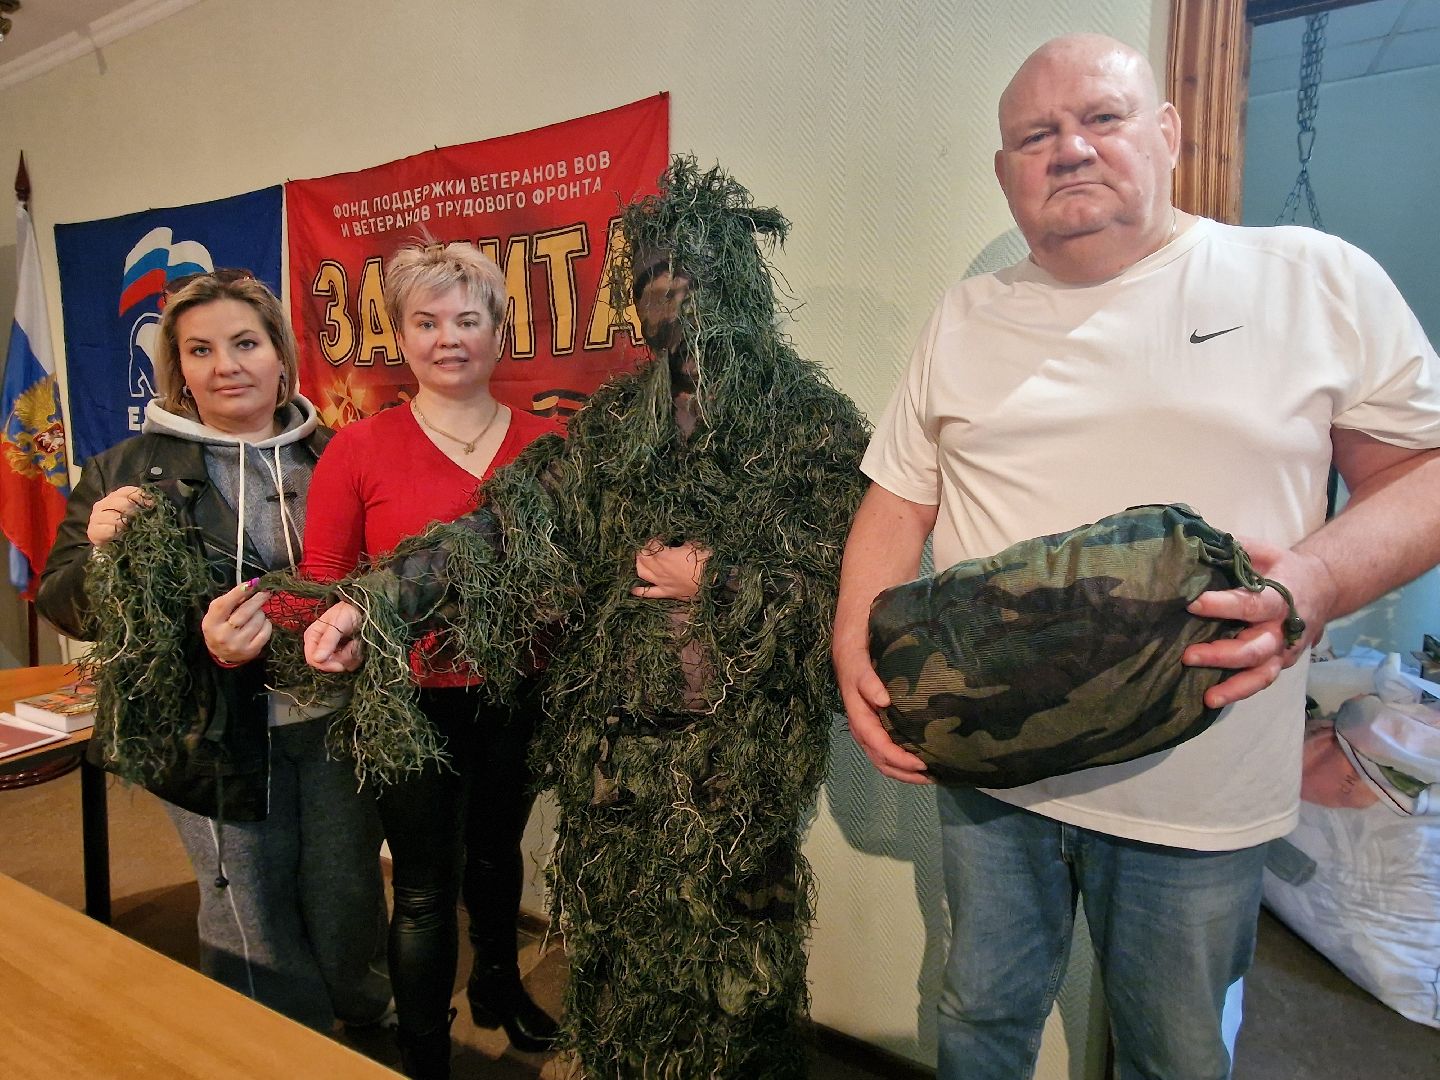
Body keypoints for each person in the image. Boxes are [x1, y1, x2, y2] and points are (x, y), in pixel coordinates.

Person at [832, 32, 1440, 1080]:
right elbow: (898, 494)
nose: (1069, 148)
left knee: (1173, 1053)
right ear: (1005, 171)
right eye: (1036, 134)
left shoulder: (1309, 277)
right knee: (979, 1020)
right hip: (993, 772)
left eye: (1101, 119)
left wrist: (1314, 582)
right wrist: (854, 638)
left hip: (1199, 787)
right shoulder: (966, 313)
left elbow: (1421, 474)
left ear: (1165, 134)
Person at [299, 158, 871, 1078]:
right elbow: (504, 527)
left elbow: (845, 598)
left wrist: (717, 578)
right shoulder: (610, 428)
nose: (673, 303)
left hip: (735, 768)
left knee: (733, 968)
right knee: (613, 956)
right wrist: (377, 606)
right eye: (651, 284)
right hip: (614, 763)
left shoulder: (810, 427)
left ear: (742, 281)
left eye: (694, 276)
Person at [37, 271, 391, 1033]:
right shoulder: (121, 472)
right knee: (248, 912)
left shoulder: (337, 455)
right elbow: (64, 602)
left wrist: (366, 633)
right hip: (210, 730)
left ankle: (360, 1038)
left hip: (335, 727)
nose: (225, 365)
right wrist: (104, 554)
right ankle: (267, 1050)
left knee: (347, 894)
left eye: (244, 343)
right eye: (200, 349)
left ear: (280, 358)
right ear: (178, 368)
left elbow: (386, 581)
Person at [293, 241, 557, 1078]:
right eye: (427, 321)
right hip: (408, 704)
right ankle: (422, 1051)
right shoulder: (359, 450)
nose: (449, 338)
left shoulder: (551, 446)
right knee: (421, 886)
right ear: (401, 337)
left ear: (498, 331)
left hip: (517, 693)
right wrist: (321, 630)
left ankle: (498, 986)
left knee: (496, 853)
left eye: (468, 319)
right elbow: (321, 584)